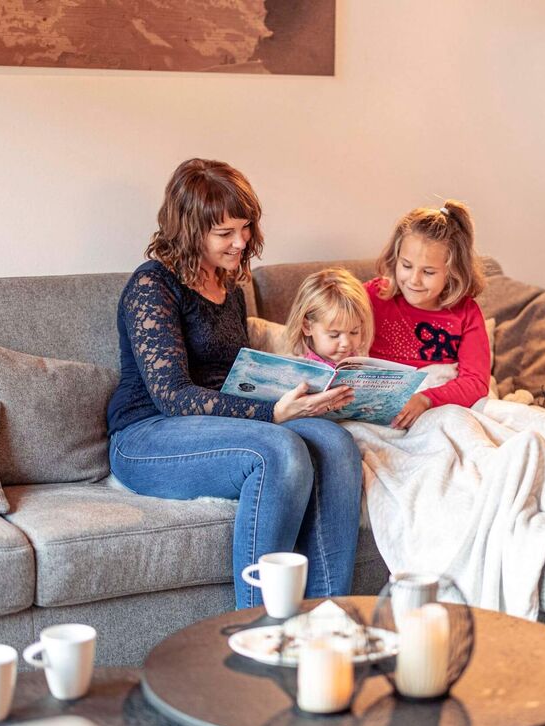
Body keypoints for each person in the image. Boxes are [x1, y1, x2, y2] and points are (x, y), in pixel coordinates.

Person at [106, 158, 363, 610]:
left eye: (244, 229)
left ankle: (327, 619)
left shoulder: (230, 286)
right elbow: (173, 396)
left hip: (218, 424)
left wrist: (301, 396)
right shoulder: (152, 286)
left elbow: (237, 380)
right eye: (225, 234)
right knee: (278, 451)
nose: (241, 242)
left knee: (336, 444)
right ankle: (259, 624)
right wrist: (272, 414)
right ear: (188, 231)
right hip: (147, 435)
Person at [367, 200, 490, 429]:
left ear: (453, 272)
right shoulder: (372, 297)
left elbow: (476, 382)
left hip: (436, 406)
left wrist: (426, 399)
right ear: (395, 259)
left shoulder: (466, 312)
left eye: (428, 272)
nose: (414, 280)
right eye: (406, 266)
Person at [283, 268, 374, 367]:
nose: (346, 343)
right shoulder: (297, 368)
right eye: (334, 335)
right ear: (307, 326)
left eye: (354, 332)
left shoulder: (359, 358)